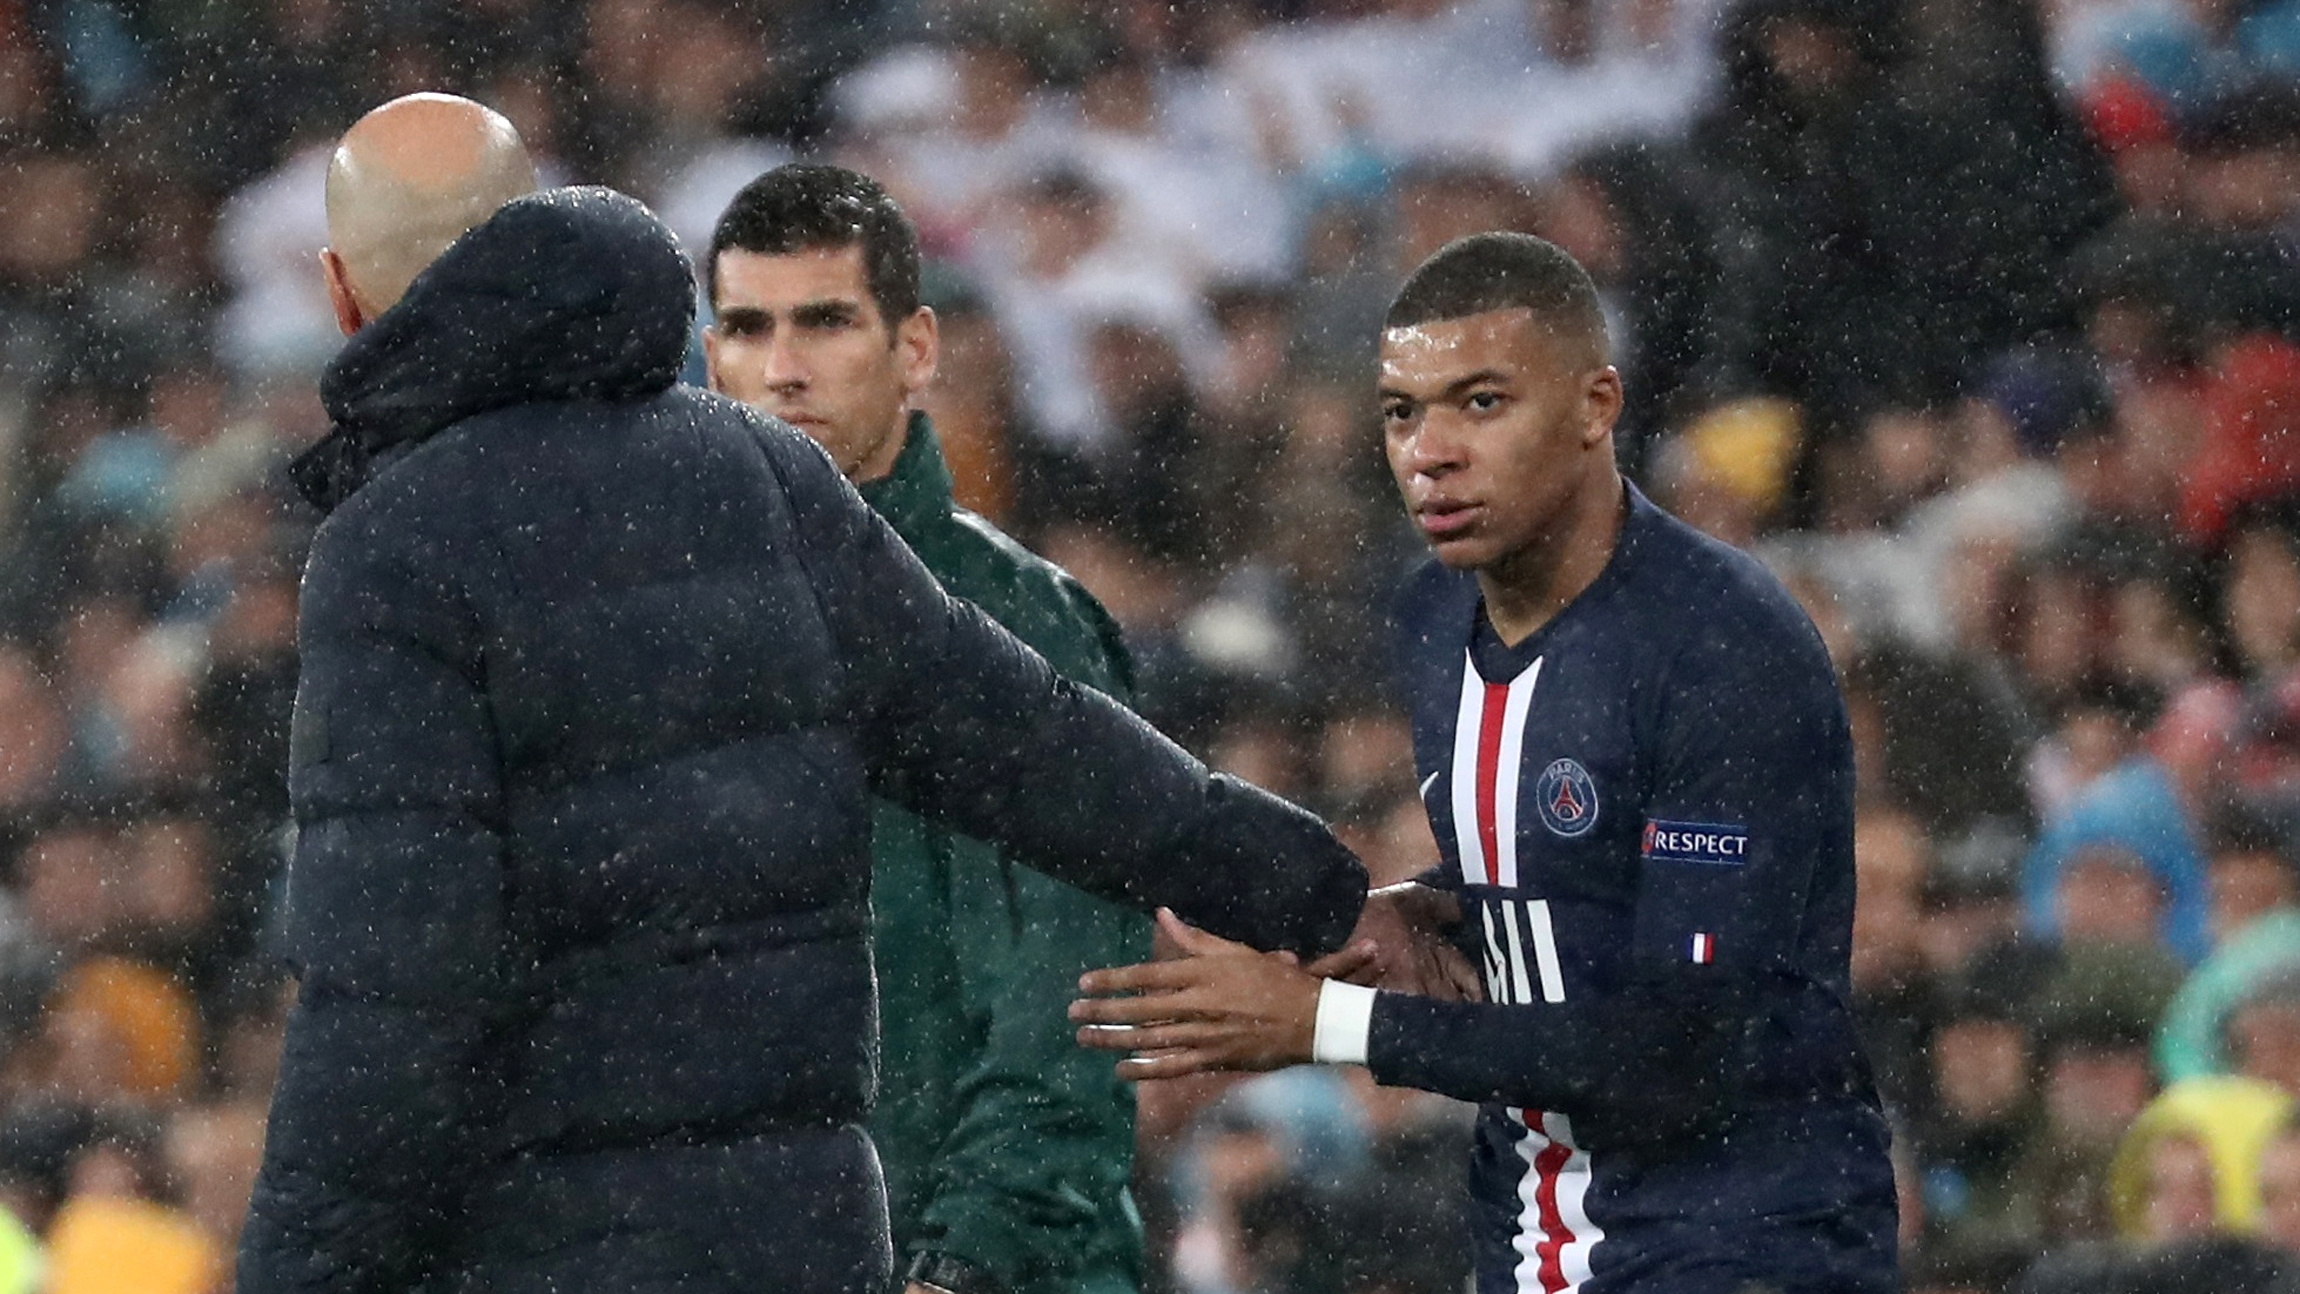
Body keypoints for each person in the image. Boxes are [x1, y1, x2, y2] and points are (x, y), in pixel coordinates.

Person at [237, 95, 1370, 1294]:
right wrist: (1317, 892)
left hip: (543, 1247)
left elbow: (390, 990)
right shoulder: (761, 474)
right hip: (805, 1236)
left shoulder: (394, 548)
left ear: (341, 292)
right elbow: (1032, 745)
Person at [1072, 232, 1898, 1292]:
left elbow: (1687, 1050)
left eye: (1479, 402)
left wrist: (1326, 1022)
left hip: (1739, 1243)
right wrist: (1422, 912)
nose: (1430, 449)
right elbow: (1581, 870)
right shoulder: (1429, 614)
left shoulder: (1722, 647)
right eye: (1401, 411)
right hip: (1526, 1239)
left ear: (1595, 406)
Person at [703, 163, 1146, 1294]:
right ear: (711, 361)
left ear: (915, 350)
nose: (783, 367)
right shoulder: (678, 637)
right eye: (747, 327)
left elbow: (1074, 1010)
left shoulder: (1017, 625)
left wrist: (959, 1268)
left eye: (826, 322)